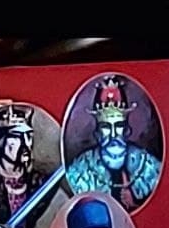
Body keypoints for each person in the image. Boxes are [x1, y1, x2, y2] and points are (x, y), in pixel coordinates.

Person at [65, 75, 161, 211]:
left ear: (126, 128)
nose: (113, 134)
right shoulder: (81, 170)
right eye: (106, 126)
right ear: (97, 131)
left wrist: (134, 202)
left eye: (119, 125)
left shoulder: (147, 165)